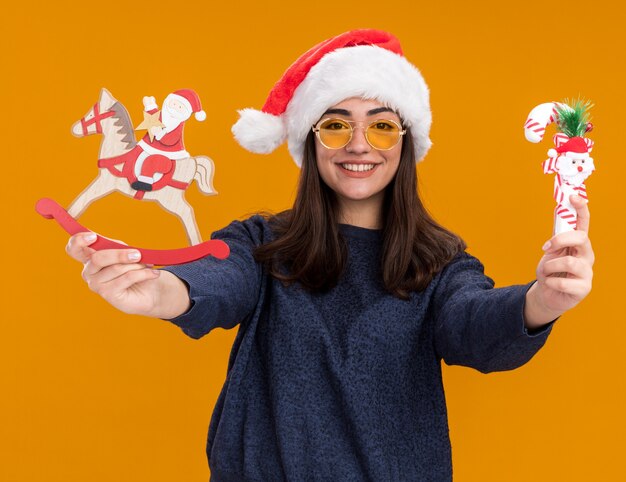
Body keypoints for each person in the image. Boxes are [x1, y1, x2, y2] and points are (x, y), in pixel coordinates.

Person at [65, 30, 594, 481]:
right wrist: (158, 291)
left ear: (405, 143)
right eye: (337, 124)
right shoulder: (261, 243)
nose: (359, 144)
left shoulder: (441, 263)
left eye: (382, 125)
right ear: (311, 141)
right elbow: (217, 278)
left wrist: (541, 300)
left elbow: (475, 326)